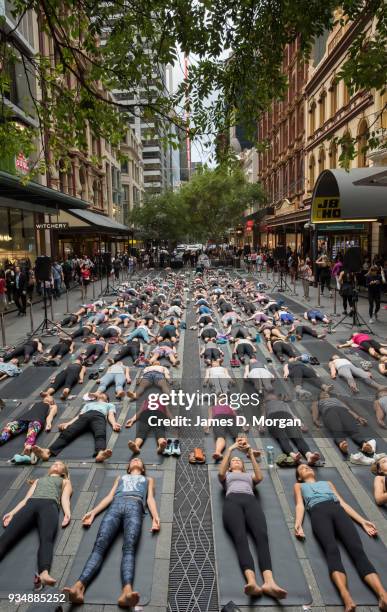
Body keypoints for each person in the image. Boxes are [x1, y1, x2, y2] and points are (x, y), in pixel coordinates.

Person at [64, 457, 160, 608]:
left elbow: (150, 499)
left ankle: (126, 592)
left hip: (135, 506)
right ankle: (78, 587)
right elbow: (109, 496)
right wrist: (93, 512)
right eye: (133, 460)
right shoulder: (120, 477)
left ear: (142, 468)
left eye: (139, 460)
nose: (135, 460)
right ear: (128, 468)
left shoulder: (148, 479)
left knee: (129, 548)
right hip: (115, 506)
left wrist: (156, 517)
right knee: (99, 546)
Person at [294, 464, 387, 611]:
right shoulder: (299, 486)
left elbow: (343, 503)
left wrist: (362, 521)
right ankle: (346, 597)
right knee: (331, 551)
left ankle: (383, 595)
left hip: (338, 511)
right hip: (318, 513)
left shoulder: (328, 483)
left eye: (308, 467)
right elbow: (300, 505)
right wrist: (298, 524)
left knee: (357, 551)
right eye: (303, 468)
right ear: (299, 476)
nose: (307, 468)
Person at [218, 442, 287, 599]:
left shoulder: (249, 476)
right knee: (241, 539)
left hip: (251, 502)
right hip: (232, 502)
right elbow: (220, 473)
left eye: (238, 461)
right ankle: (252, 582)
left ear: (243, 466)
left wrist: (250, 453)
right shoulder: (227, 475)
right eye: (233, 461)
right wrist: (230, 450)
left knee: (262, 538)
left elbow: (260, 477)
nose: (235, 461)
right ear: (229, 466)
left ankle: (269, 583)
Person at [0, 461, 72, 587]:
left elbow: (65, 498)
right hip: (31, 504)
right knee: (8, 535)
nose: (56, 464)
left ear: (64, 472)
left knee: (47, 539)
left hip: (50, 505)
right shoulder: (39, 480)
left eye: (59, 465)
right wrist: (12, 513)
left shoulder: (65, 482)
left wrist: (67, 513)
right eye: (54, 463)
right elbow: (26, 499)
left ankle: (44, 573)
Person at [32, 394, 120, 462]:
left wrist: (114, 424)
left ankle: (100, 453)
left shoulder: (109, 405)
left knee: (100, 433)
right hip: (85, 416)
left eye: (104, 394)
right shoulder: (89, 404)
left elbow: (110, 415)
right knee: (67, 432)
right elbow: (79, 415)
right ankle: (47, 452)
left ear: (107, 399)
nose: (101, 394)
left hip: (99, 416)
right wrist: (68, 423)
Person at [312, 390, 379, 464]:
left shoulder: (336, 400)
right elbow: (315, 410)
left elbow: (348, 409)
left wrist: (358, 417)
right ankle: (342, 444)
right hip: (329, 412)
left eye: (326, 393)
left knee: (353, 430)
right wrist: (315, 419)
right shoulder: (317, 402)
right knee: (337, 430)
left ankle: (364, 444)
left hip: (343, 411)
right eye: (322, 394)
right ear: (319, 397)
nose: (325, 394)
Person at [262, 392, 320, 465]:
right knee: (283, 438)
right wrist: (262, 425)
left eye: (273, 396)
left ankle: (309, 455)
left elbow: (292, 414)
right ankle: (293, 455)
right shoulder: (266, 405)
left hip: (287, 417)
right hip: (274, 418)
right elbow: (263, 415)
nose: (272, 397)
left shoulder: (283, 403)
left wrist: (300, 424)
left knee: (298, 438)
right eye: (270, 397)